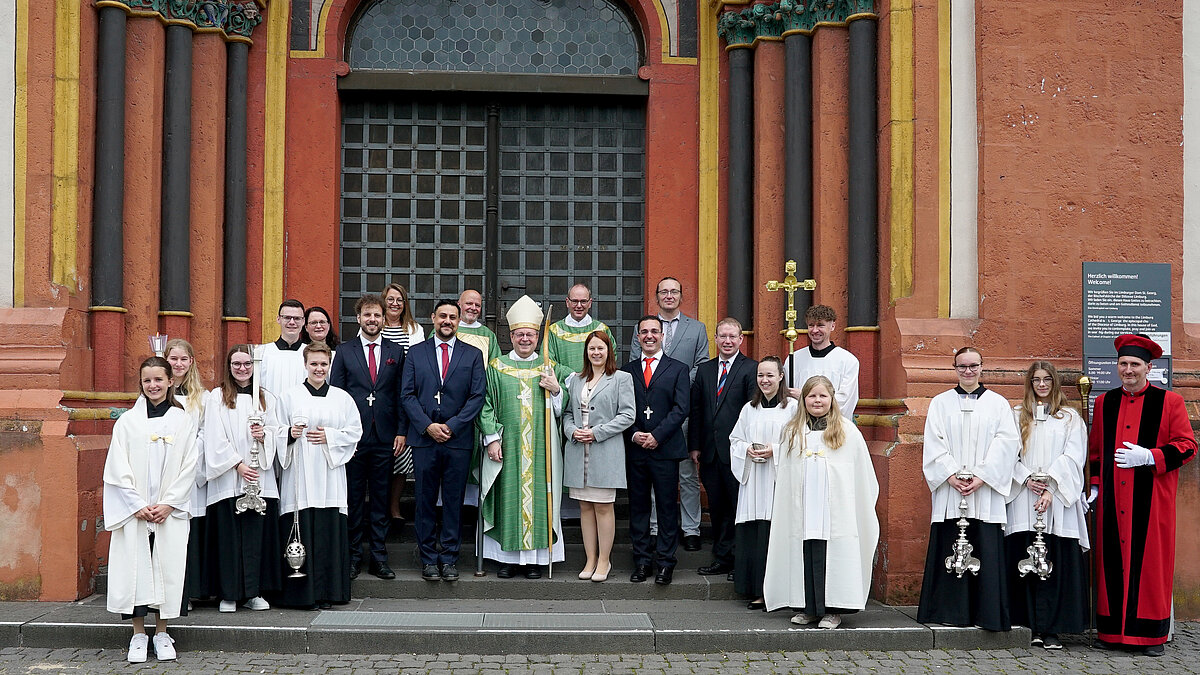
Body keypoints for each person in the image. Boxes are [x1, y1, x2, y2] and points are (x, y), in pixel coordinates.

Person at [1088, 334, 1197, 656]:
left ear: (1149, 368)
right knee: (1111, 564)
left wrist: (1150, 456)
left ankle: (1150, 637)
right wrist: (1094, 484)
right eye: (1123, 364)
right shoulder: (1104, 402)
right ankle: (1112, 632)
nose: (1128, 370)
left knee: (1150, 567)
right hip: (1111, 501)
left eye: (1135, 364)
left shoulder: (1169, 402)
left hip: (1152, 502)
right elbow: (1096, 451)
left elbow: (1187, 446)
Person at [763, 375, 879, 628]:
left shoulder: (847, 431)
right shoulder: (792, 431)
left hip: (836, 511)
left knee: (832, 555)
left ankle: (833, 610)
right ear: (803, 400)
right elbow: (785, 472)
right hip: (802, 508)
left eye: (822, 396)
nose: (817, 400)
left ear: (831, 399)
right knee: (804, 552)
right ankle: (808, 608)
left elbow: (861, 474)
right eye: (812, 396)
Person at [104, 356, 199, 663]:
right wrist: (137, 505)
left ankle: (162, 632)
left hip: (168, 511)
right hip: (136, 511)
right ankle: (137, 635)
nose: (153, 385)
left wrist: (170, 503)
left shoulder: (183, 421)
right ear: (141, 384)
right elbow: (116, 468)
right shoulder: (127, 423)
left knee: (166, 569)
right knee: (135, 571)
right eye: (147, 380)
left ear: (171, 381)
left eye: (159, 379)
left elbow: (190, 465)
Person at [917, 347, 1019, 632]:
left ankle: (985, 614)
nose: (968, 371)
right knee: (950, 544)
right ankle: (949, 611)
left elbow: (1007, 443)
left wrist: (982, 477)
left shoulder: (998, 404)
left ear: (982, 367)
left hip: (984, 490)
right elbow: (933, 440)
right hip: (952, 490)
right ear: (955, 368)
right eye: (962, 367)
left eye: (973, 366)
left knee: (985, 545)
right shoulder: (940, 402)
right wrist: (949, 474)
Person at [478, 295, 573, 578]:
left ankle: (535, 561)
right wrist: (492, 438)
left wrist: (556, 390)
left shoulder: (549, 367)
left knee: (539, 498)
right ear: (510, 336)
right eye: (519, 334)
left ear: (537, 336)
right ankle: (507, 559)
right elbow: (484, 404)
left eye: (530, 334)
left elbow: (570, 397)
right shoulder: (496, 367)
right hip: (507, 446)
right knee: (507, 498)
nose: (524, 339)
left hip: (541, 448)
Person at [400, 299, 487, 582]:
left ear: (459, 321)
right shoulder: (415, 353)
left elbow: (477, 397)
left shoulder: (473, 355)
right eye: (442, 316)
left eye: (452, 317)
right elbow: (407, 395)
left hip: (457, 439)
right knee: (424, 499)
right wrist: (427, 426)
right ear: (433, 318)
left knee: (453, 501)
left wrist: (451, 425)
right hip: (424, 440)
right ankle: (427, 558)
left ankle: (449, 558)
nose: (447, 321)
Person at [1005, 361, 1090, 650]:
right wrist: (1025, 478)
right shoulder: (1016, 416)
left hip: (1057, 501)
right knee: (1024, 559)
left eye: (1047, 380)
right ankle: (1028, 625)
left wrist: (1052, 488)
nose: (1041, 385)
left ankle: (1052, 628)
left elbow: (1073, 456)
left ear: (1055, 384)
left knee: (1054, 561)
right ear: (1029, 384)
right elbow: (1007, 454)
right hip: (1023, 498)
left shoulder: (1068, 418)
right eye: (1036, 380)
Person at [276, 341, 362, 609]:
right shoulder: (288, 397)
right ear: (305, 364)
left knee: (328, 530)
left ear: (330, 365)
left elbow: (355, 432)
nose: (319, 368)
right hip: (299, 475)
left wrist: (330, 436)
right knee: (301, 528)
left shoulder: (342, 397)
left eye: (323, 364)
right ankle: (300, 595)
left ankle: (329, 593)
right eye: (314, 363)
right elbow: (275, 430)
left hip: (329, 475)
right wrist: (289, 434)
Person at [330, 293, 408, 580]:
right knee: (352, 498)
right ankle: (353, 556)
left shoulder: (396, 352)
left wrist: (402, 431)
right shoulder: (344, 351)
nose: (372, 319)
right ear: (358, 318)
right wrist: (340, 434)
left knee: (380, 499)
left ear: (383, 317)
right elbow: (336, 396)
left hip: (386, 437)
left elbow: (402, 395)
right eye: (367, 315)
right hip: (353, 438)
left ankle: (379, 557)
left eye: (377, 315)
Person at [629, 277, 709, 552]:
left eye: (674, 291)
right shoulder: (643, 327)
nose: (669, 295)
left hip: (680, 413)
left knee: (685, 473)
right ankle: (653, 527)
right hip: (648, 411)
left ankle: (690, 528)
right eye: (664, 291)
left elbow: (701, 364)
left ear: (681, 296)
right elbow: (634, 365)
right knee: (651, 475)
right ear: (657, 296)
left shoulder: (696, 329)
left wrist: (678, 384)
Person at [202, 345, 282, 613]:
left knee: (255, 538)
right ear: (229, 366)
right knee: (229, 538)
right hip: (229, 479)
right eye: (236, 364)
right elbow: (213, 436)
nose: (242, 368)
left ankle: (253, 592)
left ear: (254, 365)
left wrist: (265, 436)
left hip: (260, 478)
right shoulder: (217, 397)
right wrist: (237, 465)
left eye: (247, 363)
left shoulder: (266, 398)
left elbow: (277, 432)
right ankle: (229, 594)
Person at [621, 315, 691, 585]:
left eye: (654, 332)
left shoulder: (678, 369)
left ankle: (665, 562)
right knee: (638, 507)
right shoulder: (626, 371)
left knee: (665, 507)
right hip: (636, 449)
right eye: (644, 332)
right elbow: (622, 408)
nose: (649, 336)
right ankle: (641, 560)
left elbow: (681, 408)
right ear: (638, 337)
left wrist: (657, 435)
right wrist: (636, 434)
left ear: (663, 336)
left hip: (665, 449)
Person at [563, 331, 636, 582]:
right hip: (578, 451)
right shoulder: (575, 380)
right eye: (592, 349)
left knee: (604, 506)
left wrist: (596, 433)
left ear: (609, 351)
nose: (596, 353)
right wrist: (573, 431)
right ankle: (590, 558)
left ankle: (604, 560)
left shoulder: (621, 378)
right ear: (586, 352)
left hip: (605, 450)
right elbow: (567, 415)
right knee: (584, 507)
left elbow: (628, 415)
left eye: (601, 349)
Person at [689, 318, 757, 579]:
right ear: (715, 339)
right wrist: (694, 445)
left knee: (739, 506)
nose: (727, 341)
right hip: (709, 451)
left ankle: (741, 561)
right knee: (717, 508)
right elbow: (696, 410)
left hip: (738, 452)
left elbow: (753, 412)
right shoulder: (704, 370)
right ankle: (722, 558)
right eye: (722, 337)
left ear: (741, 339)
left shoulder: (751, 369)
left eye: (732, 337)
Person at [727, 357, 791, 608]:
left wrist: (775, 450)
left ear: (781, 377)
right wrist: (747, 450)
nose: (765, 380)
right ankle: (753, 588)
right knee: (753, 533)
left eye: (770, 375)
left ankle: (774, 591)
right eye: (761, 376)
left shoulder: (792, 408)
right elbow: (735, 440)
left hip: (777, 481)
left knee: (773, 533)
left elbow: (799, 443)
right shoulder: (749, 409)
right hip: (753, 481)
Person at [164, 338, 209, 608]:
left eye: (183, 359)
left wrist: (191, 451)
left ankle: (190, 591)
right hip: (166, 471)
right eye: (173, 359)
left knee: (192, 533)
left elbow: (206, 433)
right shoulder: (155, 394)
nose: (178, 364)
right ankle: (171, 592)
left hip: (192, 473)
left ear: (191, 362)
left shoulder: (201, 398)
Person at [381, 283, 423, 529]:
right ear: (384, 301)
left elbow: (417, 361)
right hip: (380, 398)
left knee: (400, 457)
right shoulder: (375, 324)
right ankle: (380, 504)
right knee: (381, 457)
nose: (395, 304)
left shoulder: (413, 329)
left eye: (400, 300)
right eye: (390, 299)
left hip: (404, 396)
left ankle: (394, 507)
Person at [783, 305, 860, 421]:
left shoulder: (847, 360)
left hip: (833, 427)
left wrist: (804, 397)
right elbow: (786, 395)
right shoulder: (794, 358)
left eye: (820, 325)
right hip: (801, 425)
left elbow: (846, 399)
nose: (814, 330)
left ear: (832, 326)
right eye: (811, 325)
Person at [548, 284, 616, 372]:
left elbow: (611, 357)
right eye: (575, 301)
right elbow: (547, 361)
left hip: (596, 383)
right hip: (563, 384)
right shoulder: (554, 330)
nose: (579, 306)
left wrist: (593, 377)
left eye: (583, 301)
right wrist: (570, 376)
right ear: (567, 302)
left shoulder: (601, 329)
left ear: (590, 303)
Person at [257, 299, 308, 399]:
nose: (292, 322)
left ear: (303, 321)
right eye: (287, 318)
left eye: (297, 318)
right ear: (278, 319)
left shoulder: (312, 354)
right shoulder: (261, 353)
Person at [455, 288, 501, 363]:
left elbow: (494, 365)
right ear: (459, 305)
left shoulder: (488, 334)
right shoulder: (446, 329)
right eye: (469, 303)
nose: (473, 308)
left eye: (477, 305)